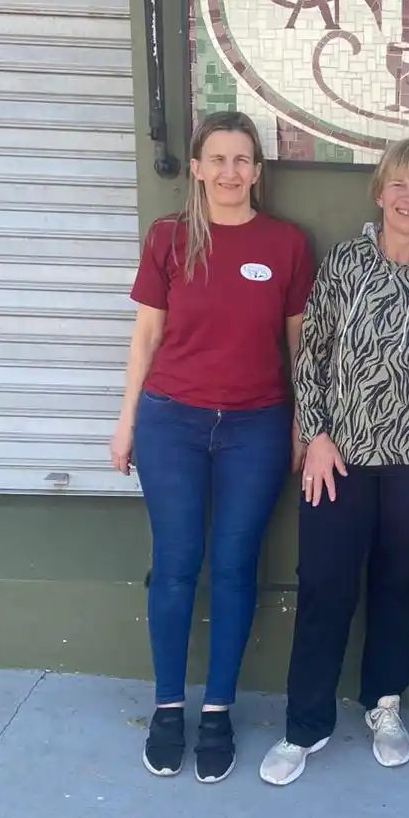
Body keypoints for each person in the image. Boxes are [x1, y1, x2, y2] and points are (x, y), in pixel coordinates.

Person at [110, 111, 313, 783]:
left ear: (258, 170)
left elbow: (300, 349)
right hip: (172, 422)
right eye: (217, 159)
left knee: (233, 566)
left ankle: (218, 710)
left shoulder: (285, 244)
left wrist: (300, 427)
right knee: (174, 565)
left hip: (255, 427)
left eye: (242, 160)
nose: (229, 172)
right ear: (195, 167)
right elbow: (145, 338)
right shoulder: (169, 239)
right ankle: (169, 708)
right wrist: (127, 420)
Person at [260, 140, 409, 786]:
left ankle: (384, 705)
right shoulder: (347, 261)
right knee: (325, 588)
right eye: (398, 184)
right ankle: (304, 725)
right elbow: (312, 354)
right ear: (379, 193)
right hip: (338, 459)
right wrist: (314, 433)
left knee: (397, 588)